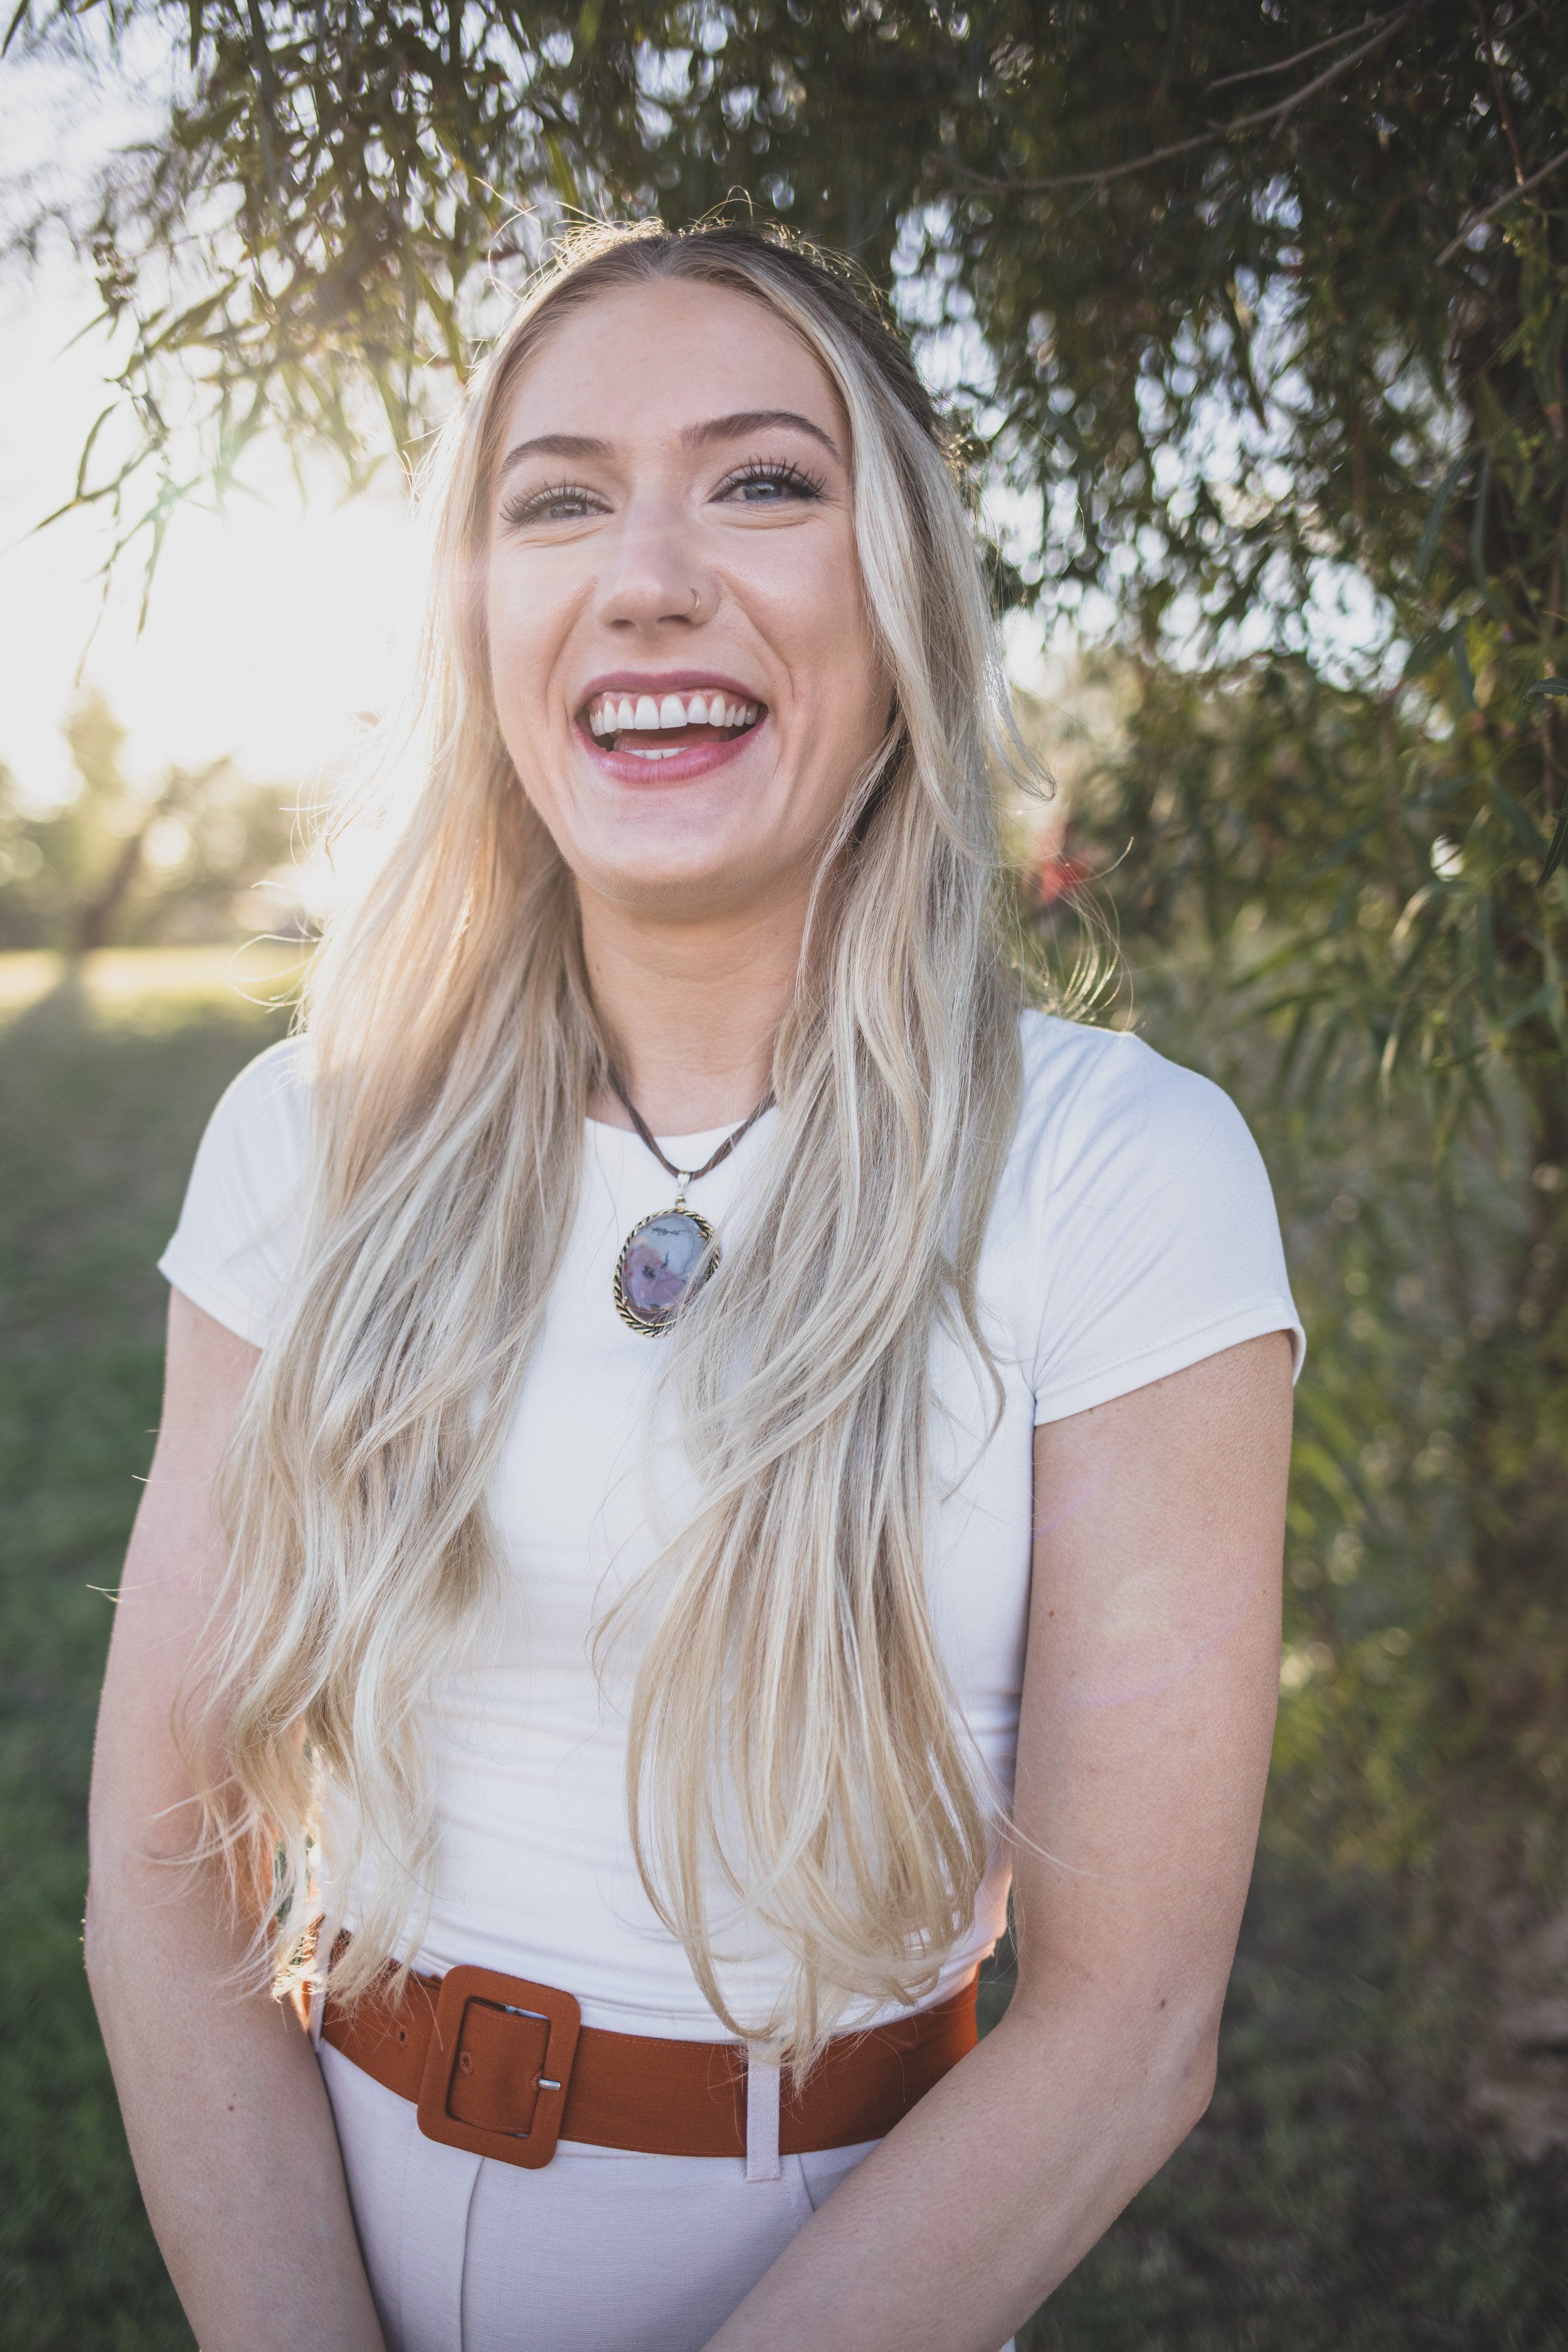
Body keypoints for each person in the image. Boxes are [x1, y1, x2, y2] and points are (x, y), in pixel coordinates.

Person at [85, 220, 1301, 2352]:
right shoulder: (308, 1139)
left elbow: (1126, 2026)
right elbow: (162, 1869)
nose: (646, 575)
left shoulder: (1116, 1174)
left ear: (900, 590)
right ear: (479, 622)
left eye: (761, 481)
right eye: (555, 500)